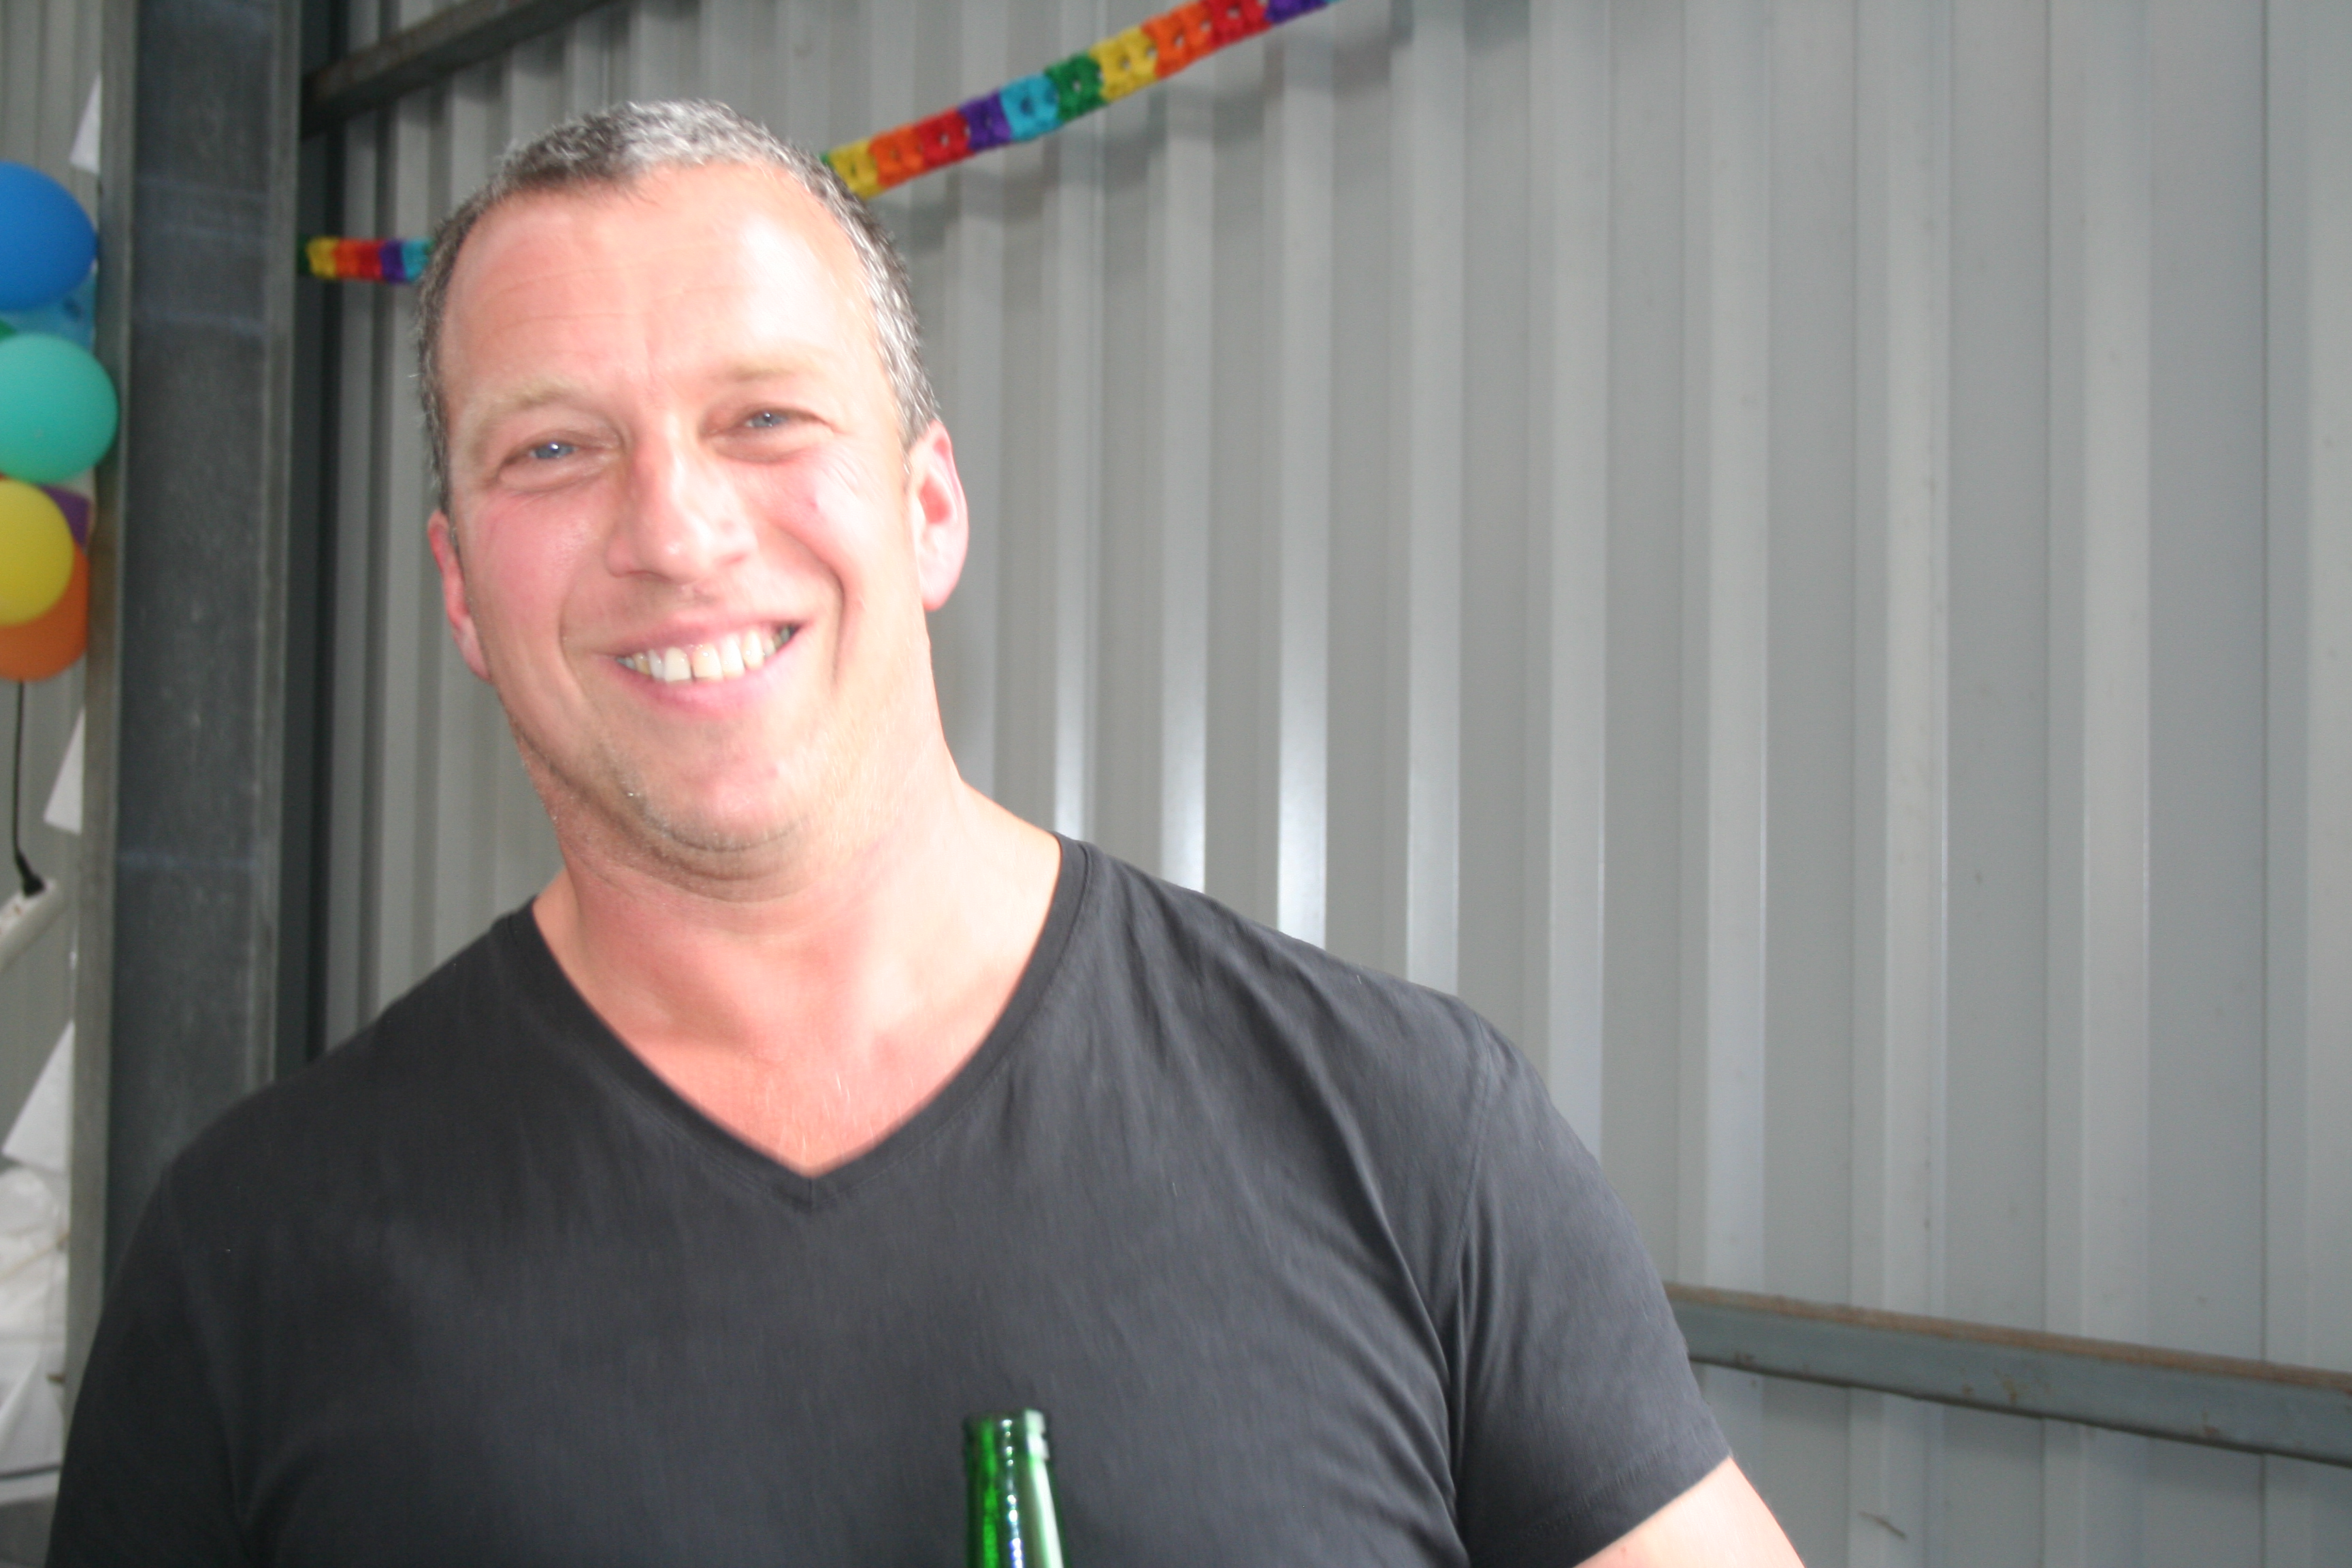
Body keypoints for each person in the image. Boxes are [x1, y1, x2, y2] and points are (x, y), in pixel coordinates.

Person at [49, 101, 1801, 1566]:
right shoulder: (250, 1260)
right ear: (457, 591)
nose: (677, 531)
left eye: (765, 419)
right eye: (557, 450)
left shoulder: (1406, 1130)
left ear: (931, 505)